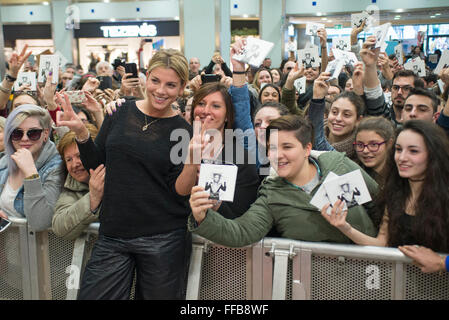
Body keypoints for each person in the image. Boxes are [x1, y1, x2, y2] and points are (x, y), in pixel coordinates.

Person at [56, 49, 195, 300]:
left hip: (162, 238)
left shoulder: (184, 131)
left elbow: (177, 191)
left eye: (171, 85)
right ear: (146, 77)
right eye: (155, 81)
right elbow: (97, 164)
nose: (161, 91)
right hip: (114, 233)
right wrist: (81, 133)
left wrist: (195, 161)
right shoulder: (119, 112)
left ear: (182, 87)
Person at [188, 115, 377, 247]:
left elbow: (381, 203)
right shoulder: (272, 194)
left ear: (307, 148)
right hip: (315, 283)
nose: (278, 156)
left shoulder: (338, 166)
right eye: (272, 148)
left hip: (373, 274)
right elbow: (242, 231)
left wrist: (386, 241)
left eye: (287, 146)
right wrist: (202, 216)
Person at [321, 120, 449, 253]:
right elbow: (382, 244)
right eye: (399, 149)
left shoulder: (445, 197)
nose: (402, 157)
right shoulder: (395, 193)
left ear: (434, 154)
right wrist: (345, 227)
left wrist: (442, 262)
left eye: (413, 151)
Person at [188, 82, 259, 219]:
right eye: (201, 103)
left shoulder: (240, 157)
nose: (206, 111)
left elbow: (242, 213)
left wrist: (212, 199)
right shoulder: (179, 148)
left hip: (219, 236)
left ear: (227, 115)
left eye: (216, 106)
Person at [0, 104, 63, 231]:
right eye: (17, 133)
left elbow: (39, 222)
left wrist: (31, 174)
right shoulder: (5, 160)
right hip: (7, 247)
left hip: (41, 248)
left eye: (33, 133)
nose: (24, 138)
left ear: (45, 134)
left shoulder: (56, 167)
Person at [52, 124, 102, 240]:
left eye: (80, 156)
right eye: (69, 159)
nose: (75, 164)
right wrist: (92, 198)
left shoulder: (117, 176)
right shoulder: (71, 186)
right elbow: (59, 227)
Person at [309, 72, 365, 161]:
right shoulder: (308, 138)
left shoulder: (364, 153)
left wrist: (317, 100)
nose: (338, 118)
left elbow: (320, 143)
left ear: (358, 120)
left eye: (346, 115)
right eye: (334, 112)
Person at [353, 116, 395, 185]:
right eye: (360, 145)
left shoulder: (401, 175)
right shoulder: (351, 174)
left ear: (389, 144)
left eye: (373, 144)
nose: (365, 151)